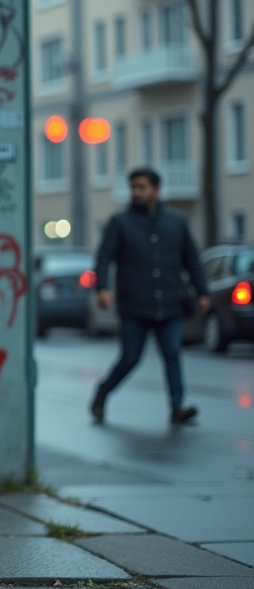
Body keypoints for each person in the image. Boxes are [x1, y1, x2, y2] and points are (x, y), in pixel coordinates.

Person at [92, 167, 209, 425]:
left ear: (156, 190)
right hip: (135, 305)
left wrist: (202, 293)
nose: (136, 192)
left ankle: (177, 406)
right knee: (131, 358)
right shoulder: (120, 223)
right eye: (133, 187)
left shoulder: (176, 222)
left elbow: (192, 260)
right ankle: (103, 391)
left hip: (170, 303)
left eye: (141, 187)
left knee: (172, 353)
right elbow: (104, 257)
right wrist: (102, 287)